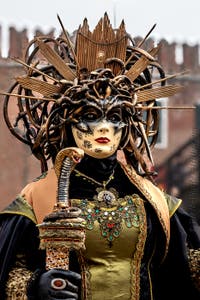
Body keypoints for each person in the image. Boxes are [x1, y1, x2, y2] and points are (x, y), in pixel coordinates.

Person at [0, 13, 199, 300]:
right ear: (67, 122)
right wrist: (35, 286)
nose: (104, 127)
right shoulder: (39, 197)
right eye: (91, 116)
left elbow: (184, 262)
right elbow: (10, 271)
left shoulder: (150, 199)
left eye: (115, 116)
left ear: (128, 124)